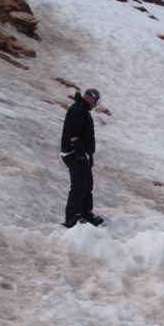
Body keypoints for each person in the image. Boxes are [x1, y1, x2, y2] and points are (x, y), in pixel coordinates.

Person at [60, 88, 104, 228]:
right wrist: (79, 154)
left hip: (82, 154)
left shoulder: (83, 110)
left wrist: (87, 155)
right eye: (96, 102)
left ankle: (86, 214)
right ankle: (72, 217)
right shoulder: (77, 110)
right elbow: (74, 134)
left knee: (87, 185)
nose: (96, 105)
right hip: (74, 154)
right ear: (91, 98)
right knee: (79, 186)